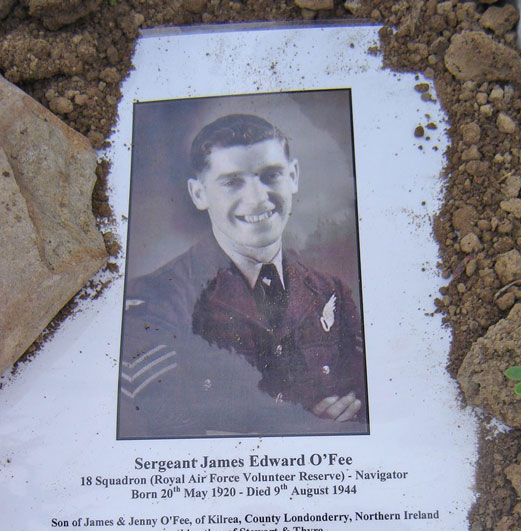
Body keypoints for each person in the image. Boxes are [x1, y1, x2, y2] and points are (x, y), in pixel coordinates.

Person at [118, 113, 368, 439]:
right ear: (199, 194)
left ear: (293, 176)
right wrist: (314, 427)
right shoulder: (154, 301)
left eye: (271, 175)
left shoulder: (330, 291)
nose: (257, 198)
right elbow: (172, 430)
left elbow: (371, 396)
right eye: (232, 182)